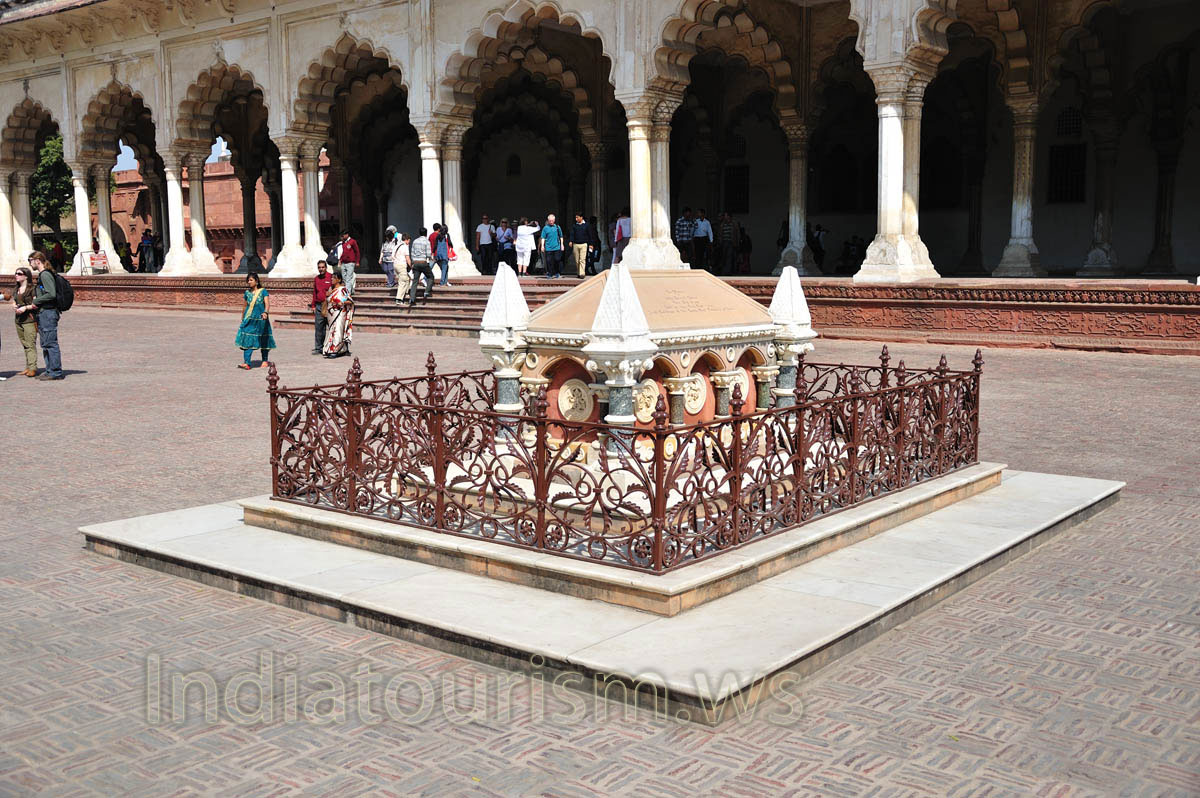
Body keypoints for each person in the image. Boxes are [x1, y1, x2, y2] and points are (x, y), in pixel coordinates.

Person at [29, 251, 64, 381]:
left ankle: (55, 371)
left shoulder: (45, 275)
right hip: (44, 312)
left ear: (37, 260)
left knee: (50, 343)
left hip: (48, 313)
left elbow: (51, 294)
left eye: (30, 260)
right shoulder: (43, 274)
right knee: (45, 343)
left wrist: (36, 301)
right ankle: (49, 369)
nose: (30, 264)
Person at [235, 273, 275, 370]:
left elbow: (267, 304)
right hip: (249, 319)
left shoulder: (263, 291)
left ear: (256, 281)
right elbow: (245, 306)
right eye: (248, 280)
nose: (249, 282)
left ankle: (264, 360)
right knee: (248, 339)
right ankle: (247, 362)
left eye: (251, 280)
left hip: (261, 319)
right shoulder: (247, 293)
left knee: (264, 338)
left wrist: (265, 312)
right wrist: (243, 318)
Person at [12, 266, 38, 377]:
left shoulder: (32, 289)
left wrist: (25, 308)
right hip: (18, 320)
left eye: (19, 274)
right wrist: (14, 305)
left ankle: (32, 368)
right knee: (25, 344)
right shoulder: (16, 289)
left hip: (29, 320)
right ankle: (28, 367)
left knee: (30, 344)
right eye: (16, 273)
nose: (16, 275)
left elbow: (36, 304)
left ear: (26, 276)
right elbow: (14, 300)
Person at [321, 269, 354, 358]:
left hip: (339, 314)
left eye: (334, 278)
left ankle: (335, 350)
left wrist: (342, 303)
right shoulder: (331, 289)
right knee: (332, 332)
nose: (332, 279)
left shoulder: (343, 290)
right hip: (331, 315)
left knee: (338, 331)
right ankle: (338, 349)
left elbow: (350, 301)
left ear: (339, 279)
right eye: (331, 278)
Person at [309, 259, 333, 355]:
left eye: (323, 267)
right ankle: (318, 348)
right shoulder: (316, 279)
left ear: (326, 268)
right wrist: (313, 305)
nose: (321, 269)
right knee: (319, 329)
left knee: (332, 328)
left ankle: (333, 347)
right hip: (319, 306)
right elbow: (315, 293)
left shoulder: (331, 277)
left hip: (329, 306)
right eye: (319, 267)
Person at [408, 227, 434, 305]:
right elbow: (428, 254)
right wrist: (431, 258)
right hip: (423, 262)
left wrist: (413, 262)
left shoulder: (415, 241)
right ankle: (427, 291)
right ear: (426, 233)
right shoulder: (427, 242)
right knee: (430, 277)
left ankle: (412, 298)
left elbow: (412, 253)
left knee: (415, 281)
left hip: (416, 263)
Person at [539, 213, 564, 279]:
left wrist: (562, 245)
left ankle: (556, 272)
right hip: (548, 247)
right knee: (549, 261)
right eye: (550, 221)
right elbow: (543, 237)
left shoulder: (557, 227)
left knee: (557, 259)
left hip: (557, 247)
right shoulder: (545, 228)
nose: (551, 222)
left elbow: (561, 236)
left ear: (554, 220)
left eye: (552, 220)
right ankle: (550, 273)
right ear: (548, 220)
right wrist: (542, 246)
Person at [568, 212, 592, 278]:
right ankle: (578, 272)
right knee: (577, 260)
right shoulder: (574, 225)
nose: (576, 219)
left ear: (581, 217)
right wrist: (571, 241)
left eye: (577, 217)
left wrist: (591, 244)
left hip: (584, 244)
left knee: (582, 259)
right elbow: (572, 234)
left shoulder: (586, 225)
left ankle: (582, 273)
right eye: (575, 217)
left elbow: (590, 235)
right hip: (576, 244)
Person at [337, 229, 360, 294]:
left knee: (348, 278)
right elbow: (343, 252)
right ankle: (351, 290)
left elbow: (357, 251)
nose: (342, 237)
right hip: (343, 262)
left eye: (343, 235)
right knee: (344, 277)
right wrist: (340, 260)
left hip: (350, 262)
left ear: (347, 235)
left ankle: (347, 293)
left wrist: (357, 261)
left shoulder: (353, 241)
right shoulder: (343, 243)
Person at [432, 222, 454, 287]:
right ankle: (442, 283)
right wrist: (451, 247)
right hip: (445, 254)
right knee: (444, 269)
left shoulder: (438, 235)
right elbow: (450, 243)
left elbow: (435, 245)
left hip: (438, 254)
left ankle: (445, 282)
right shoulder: (447, 235)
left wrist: (433, 252)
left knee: (444, 268)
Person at [394, 232, 413, 304]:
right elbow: (407, 258)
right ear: (407, 239)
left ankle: (406, 292)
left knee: (407, 279)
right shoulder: (405, 247)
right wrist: (411, 266)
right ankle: (399, 299)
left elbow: (392, 256)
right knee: (402, 282)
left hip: (395, 265)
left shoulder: (397, 246)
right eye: (409, 241)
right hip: (401, 265)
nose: (409, 243)